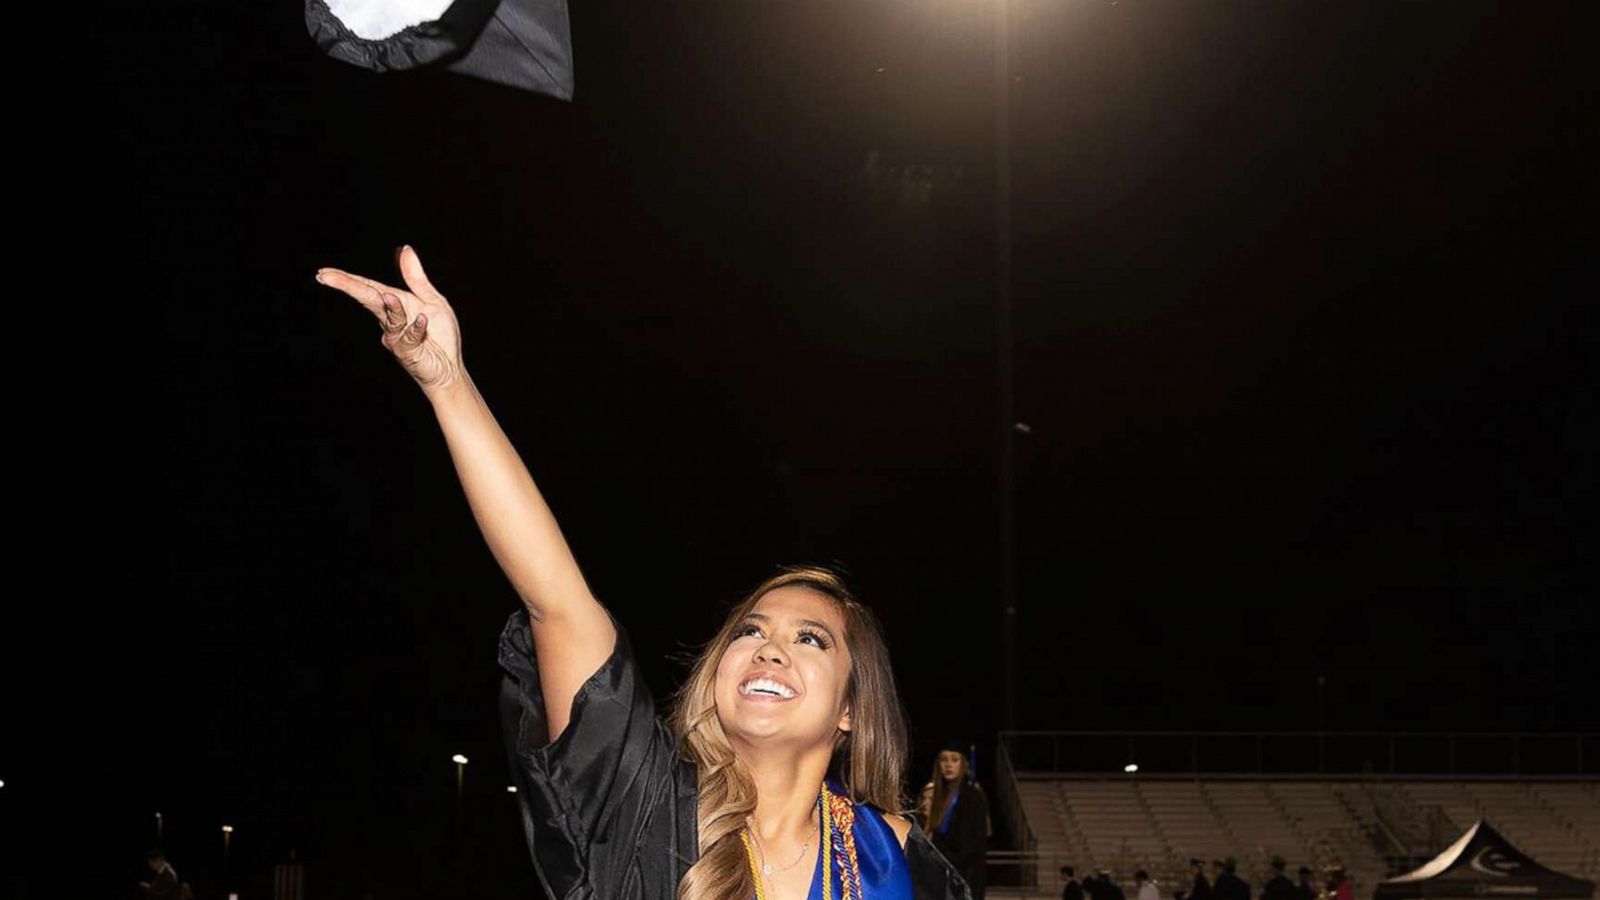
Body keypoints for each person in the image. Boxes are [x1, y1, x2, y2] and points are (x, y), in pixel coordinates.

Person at [317, 248, 972, 900]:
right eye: (749, 630)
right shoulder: (639, 803)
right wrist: (448, 382)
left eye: (811, 638)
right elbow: (558, 601)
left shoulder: (899, 862)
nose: (769, 646)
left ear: (853, 707)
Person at [919, 743, 990, 900]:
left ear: (963, 764)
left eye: (954, 760)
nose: (948, 765)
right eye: (944, 760)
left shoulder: (972, 796)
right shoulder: (934, 795)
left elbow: (971, 846)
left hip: (963, 876)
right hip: (938, 877)